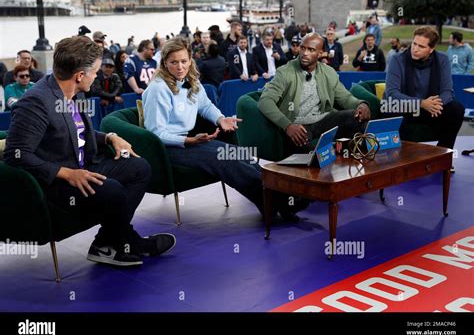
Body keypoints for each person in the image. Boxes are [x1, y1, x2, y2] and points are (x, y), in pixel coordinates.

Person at [4, 36, 175, 267]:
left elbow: (75, 131)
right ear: (80, 76)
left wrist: (110, 137)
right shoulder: (35, 102)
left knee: (139, 168)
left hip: (83, 165)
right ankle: (129, 242)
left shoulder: (68, 91)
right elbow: (16, 155)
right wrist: (65, 173)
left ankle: (105, 243)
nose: (96, 77)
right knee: (112, 189)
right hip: (56, 182)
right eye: (95, 72)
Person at [143, 38, 308, 221]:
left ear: (190, 60)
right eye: (174, 62)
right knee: (222, 159)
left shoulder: (191, 82)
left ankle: (272, 200)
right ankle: (277, 202)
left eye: (184, 61)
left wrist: (220, 119)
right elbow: (155, 134)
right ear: (165, 63)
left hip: (189, 141)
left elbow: (205, 106)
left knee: (241, 154)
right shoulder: (158, 89)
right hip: (167, 148)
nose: (180, 67)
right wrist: (188, 141)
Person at [258, 33, 371, 153]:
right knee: (315, 154)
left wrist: (361, 104)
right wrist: (287, 125)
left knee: (357, 118)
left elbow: (345, 97)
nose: (305, 53)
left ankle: (353, 157)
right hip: (299, 124)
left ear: (320, 53)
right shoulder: (284, 72)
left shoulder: (329, 72)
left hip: (324, 119)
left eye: (311, 50)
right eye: (302, 48)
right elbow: (265, 101)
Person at [384, 27, 464, 150]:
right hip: (405, 107)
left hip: (430, 108)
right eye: (414, 44)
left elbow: (447, 91)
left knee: (456, 109)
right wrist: (421, 103)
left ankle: (441, 154)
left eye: (421, 47)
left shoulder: (442, 59)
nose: (415, 49)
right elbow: (391, 94)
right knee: (389, 106)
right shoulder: (397, 59)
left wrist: (434, 105)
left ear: (431, 49)